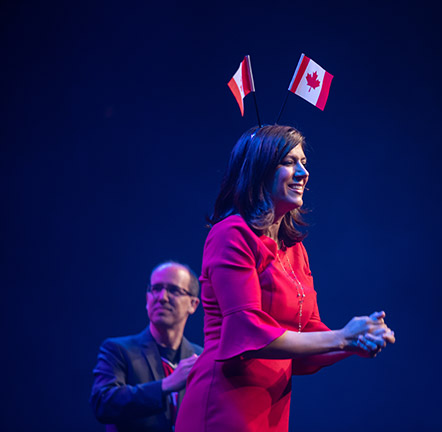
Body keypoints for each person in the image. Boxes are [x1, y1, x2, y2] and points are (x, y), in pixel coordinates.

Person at [175, 125, 396, 432]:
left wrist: (354, 343)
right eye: (289, 162)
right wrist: (343, 336)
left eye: (304, 162)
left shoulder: (296, 250)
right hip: (224, 405)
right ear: (259, 170)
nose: (303, 172)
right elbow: (248, 331)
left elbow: (309, 334)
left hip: (272, 408)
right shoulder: (231, 234)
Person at [90, 261, 203, 432]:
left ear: (193, 304)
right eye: (156, 289)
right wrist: (165, 385)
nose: (162, 297)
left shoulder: (199, 357)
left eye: (173, 290)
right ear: (147, 298)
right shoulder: (118, 350)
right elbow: (103, 402)